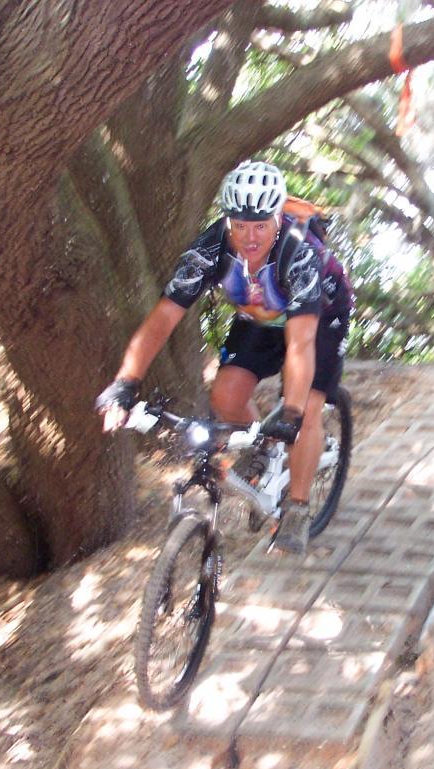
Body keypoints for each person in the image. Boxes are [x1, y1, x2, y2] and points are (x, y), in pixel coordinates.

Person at [95, 161, 353, 555]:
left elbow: (300, 345)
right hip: (259, 315)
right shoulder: (210, 248)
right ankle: (265, 450)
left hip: (319, 318)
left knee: (307, 412)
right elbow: (164, 316)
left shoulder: (298, 255)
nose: (249, 238)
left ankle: (298, 508)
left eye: (260, 226)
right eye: (240, 225)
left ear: (277, 219)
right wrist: (125, 382)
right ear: (227, 219)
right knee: (225, 397)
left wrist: (292, 413)